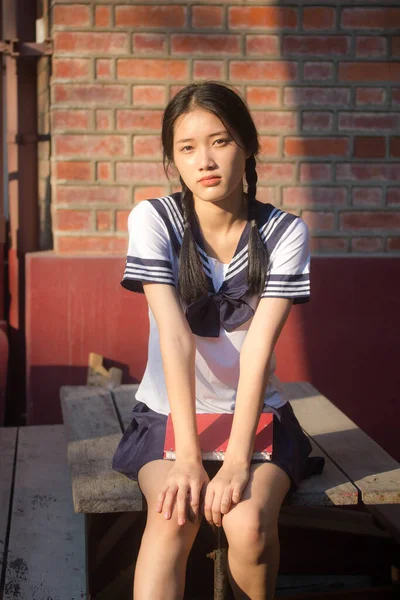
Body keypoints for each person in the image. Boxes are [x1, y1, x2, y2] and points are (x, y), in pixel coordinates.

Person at [112, 81, 324, 600]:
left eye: (220, 141)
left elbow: (258, 350)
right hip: (168, 416)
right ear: (174, 161)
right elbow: (176, 339)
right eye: (187, 148)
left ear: (247, 146)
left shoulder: (284, 233)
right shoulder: (154, 220)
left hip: (256, 415)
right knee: (173, 517)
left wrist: (235, 461)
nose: (205, 160)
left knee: (247, 524)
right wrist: (188, 455)